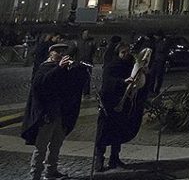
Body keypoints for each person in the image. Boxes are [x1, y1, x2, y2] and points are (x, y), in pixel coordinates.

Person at [21, 42, 88, 180]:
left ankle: (51, 171)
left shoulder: (64, 68)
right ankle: (36, 175)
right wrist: (59, 68)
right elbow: (41, 84)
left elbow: (73, 87)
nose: (61, 54)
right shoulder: (44, 67)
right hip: (46, 113)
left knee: (56, 144)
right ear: (51, 53)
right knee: (41, 147)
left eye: (63, 52)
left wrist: (78, 69)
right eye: (58, 52)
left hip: (60, 113)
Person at [94, 42, 150, 171]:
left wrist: (144, 73)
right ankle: (99, 158)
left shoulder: (131, 65)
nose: (125, 54)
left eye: (127, 51)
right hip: (110, 103)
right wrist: (122, 82)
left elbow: (139, 80)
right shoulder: (111, 66)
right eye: (122, 52)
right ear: (117, 53)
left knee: (118, 131)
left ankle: (115, 158)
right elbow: (107, 82)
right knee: (104, 131)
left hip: (124, 103)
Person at [76, 30, 96, 96]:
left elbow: (93, 51)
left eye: (88, 33)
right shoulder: (78, 42)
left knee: (87, 78)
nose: (87, 35)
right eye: (85, 33)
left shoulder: (91, 42)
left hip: (88, 62)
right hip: (79, 62)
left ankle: (86, 92)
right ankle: (79, 91)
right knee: (79, 77)